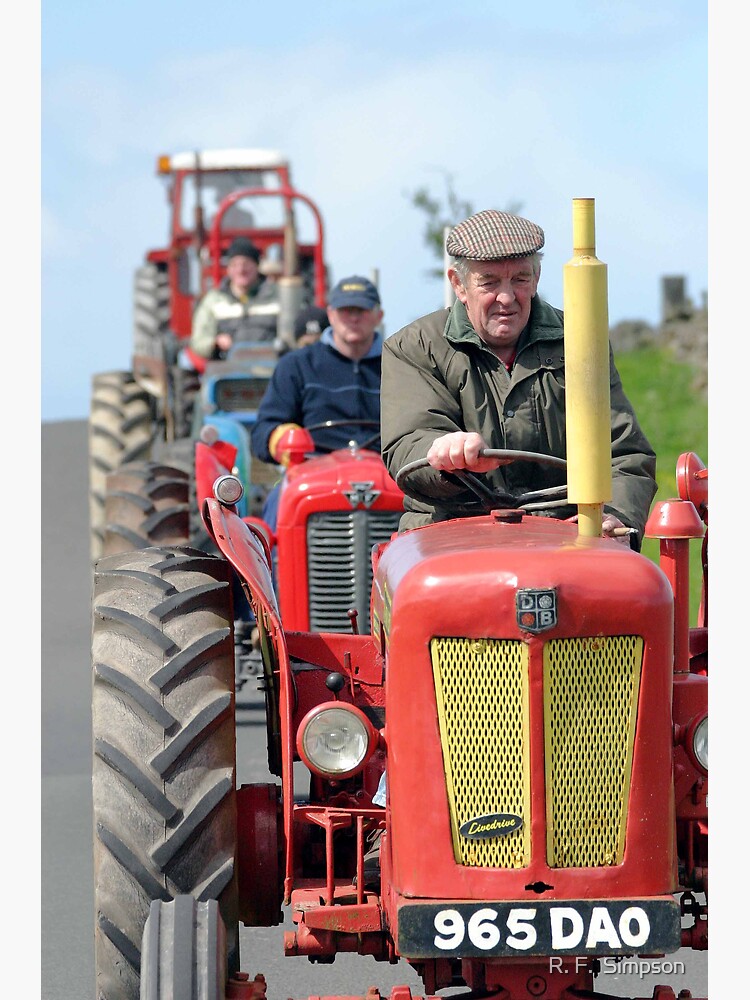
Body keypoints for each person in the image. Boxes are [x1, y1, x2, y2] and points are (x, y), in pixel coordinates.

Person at [380, 209, 658, 549]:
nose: (507, 298)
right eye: (490, 282)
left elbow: (624, 453)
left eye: (520, 280)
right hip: (450, 533)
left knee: (631, 592)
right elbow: (409, 442)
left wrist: (617, 515)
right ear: (459, 284)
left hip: (562, 534)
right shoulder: (415, 347)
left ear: (537, 277)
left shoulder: (580, 339)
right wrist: (442, 452)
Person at [250, 275, 384, 529]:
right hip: (312, 472)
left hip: (387, 474)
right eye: (346, 310)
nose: (353, 318)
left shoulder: (401, 363)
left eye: (362, 310)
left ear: (379, 315)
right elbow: (262, 432)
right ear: (331, 315)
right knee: (276, 509)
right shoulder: (297, 365)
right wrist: (282, 439)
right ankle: (276, 567)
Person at [189, 236, 280, 360]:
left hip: (271, 365)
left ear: (257, 266)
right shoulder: (214, 300)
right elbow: (199, 340)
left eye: (246, 264)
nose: (241, 270)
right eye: (235, 264)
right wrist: (215, 343)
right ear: (228, 269)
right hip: (227, 369)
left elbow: (293, 334)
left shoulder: (277, 296)